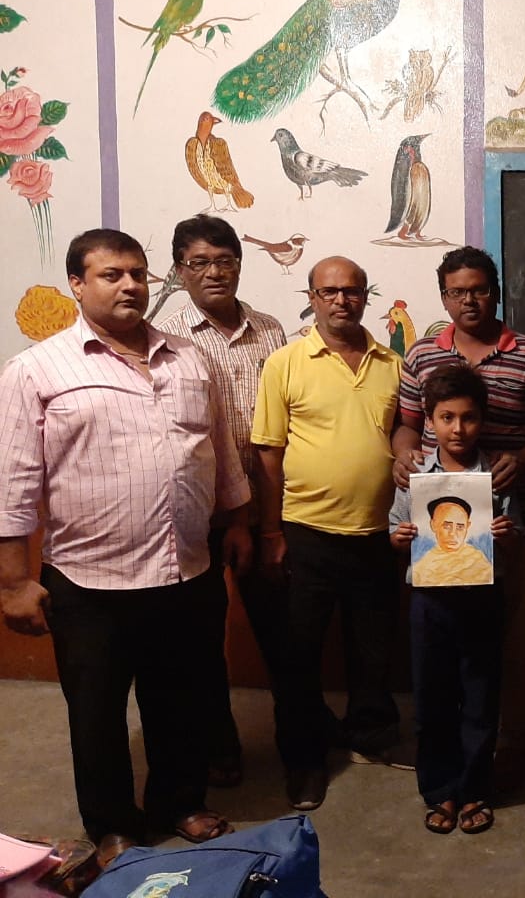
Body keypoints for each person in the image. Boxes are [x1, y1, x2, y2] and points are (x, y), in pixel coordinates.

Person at [0, 229, 249, 868]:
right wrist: (14, 581)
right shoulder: (36, 370)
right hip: (88, 580)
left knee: (181, 700)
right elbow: (13, 483)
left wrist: (239, 522)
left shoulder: (190, 358)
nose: (130, 285)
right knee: (97, 715)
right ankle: (113, 826)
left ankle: (180, 802)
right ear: (77, 285)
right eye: (111, 275)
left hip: (185, 567)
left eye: (138, 273)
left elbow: (220, 451)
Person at [393, 245, 525, 789]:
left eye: (478, 290)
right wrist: (402, 455)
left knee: (512, 636)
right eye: (456, 292)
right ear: (443, 297)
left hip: (509, 521)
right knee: (444, 643)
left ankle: (512, 743)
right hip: (436, 526)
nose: (468, 300)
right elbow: (404, 424)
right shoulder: (421, 355)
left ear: (495, 291)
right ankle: (450, 750)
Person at [252, 255, 405, 813]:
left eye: (353, 291)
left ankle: (369, 734)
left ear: (366, 297)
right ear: (312, 298)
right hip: (306, 532)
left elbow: (405, 434)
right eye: (329, 291)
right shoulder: (285, 363)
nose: (342, 300)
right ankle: (304, 762)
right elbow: (268, 454)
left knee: (373, 646)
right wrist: (271, 531)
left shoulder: (394, 364)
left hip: (377, 533)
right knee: (298, 657)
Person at [155, 215, 287, 790]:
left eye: (225, 260)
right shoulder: (166, 339)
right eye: (199, 263)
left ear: (239, 264)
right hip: (199, 514)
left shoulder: (271, 330)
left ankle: (300, 740)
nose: (214, 272)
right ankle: (220, 746)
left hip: (269, 508)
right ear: (180, 271)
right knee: (201, 640)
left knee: (284, 632)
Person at [389, 364, 521, 836]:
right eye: (447, 418)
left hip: (482, 601)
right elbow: (394, 528)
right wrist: (400, 538)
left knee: (481, 698)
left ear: (481, 419)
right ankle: (440, 789)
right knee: (432, 699)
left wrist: (504, 534)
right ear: (429, 420)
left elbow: (516, 533)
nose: (458, 429)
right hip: (430, 604)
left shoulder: (497, 477)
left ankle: (475, 789)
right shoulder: (414, 476)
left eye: (468, 418)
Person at [413, 497, 493, 586]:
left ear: (467, 526)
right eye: (447, 526)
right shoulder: (422, 567)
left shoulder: (479, 561)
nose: (452, 534)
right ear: (433, 525)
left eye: (460, 527)